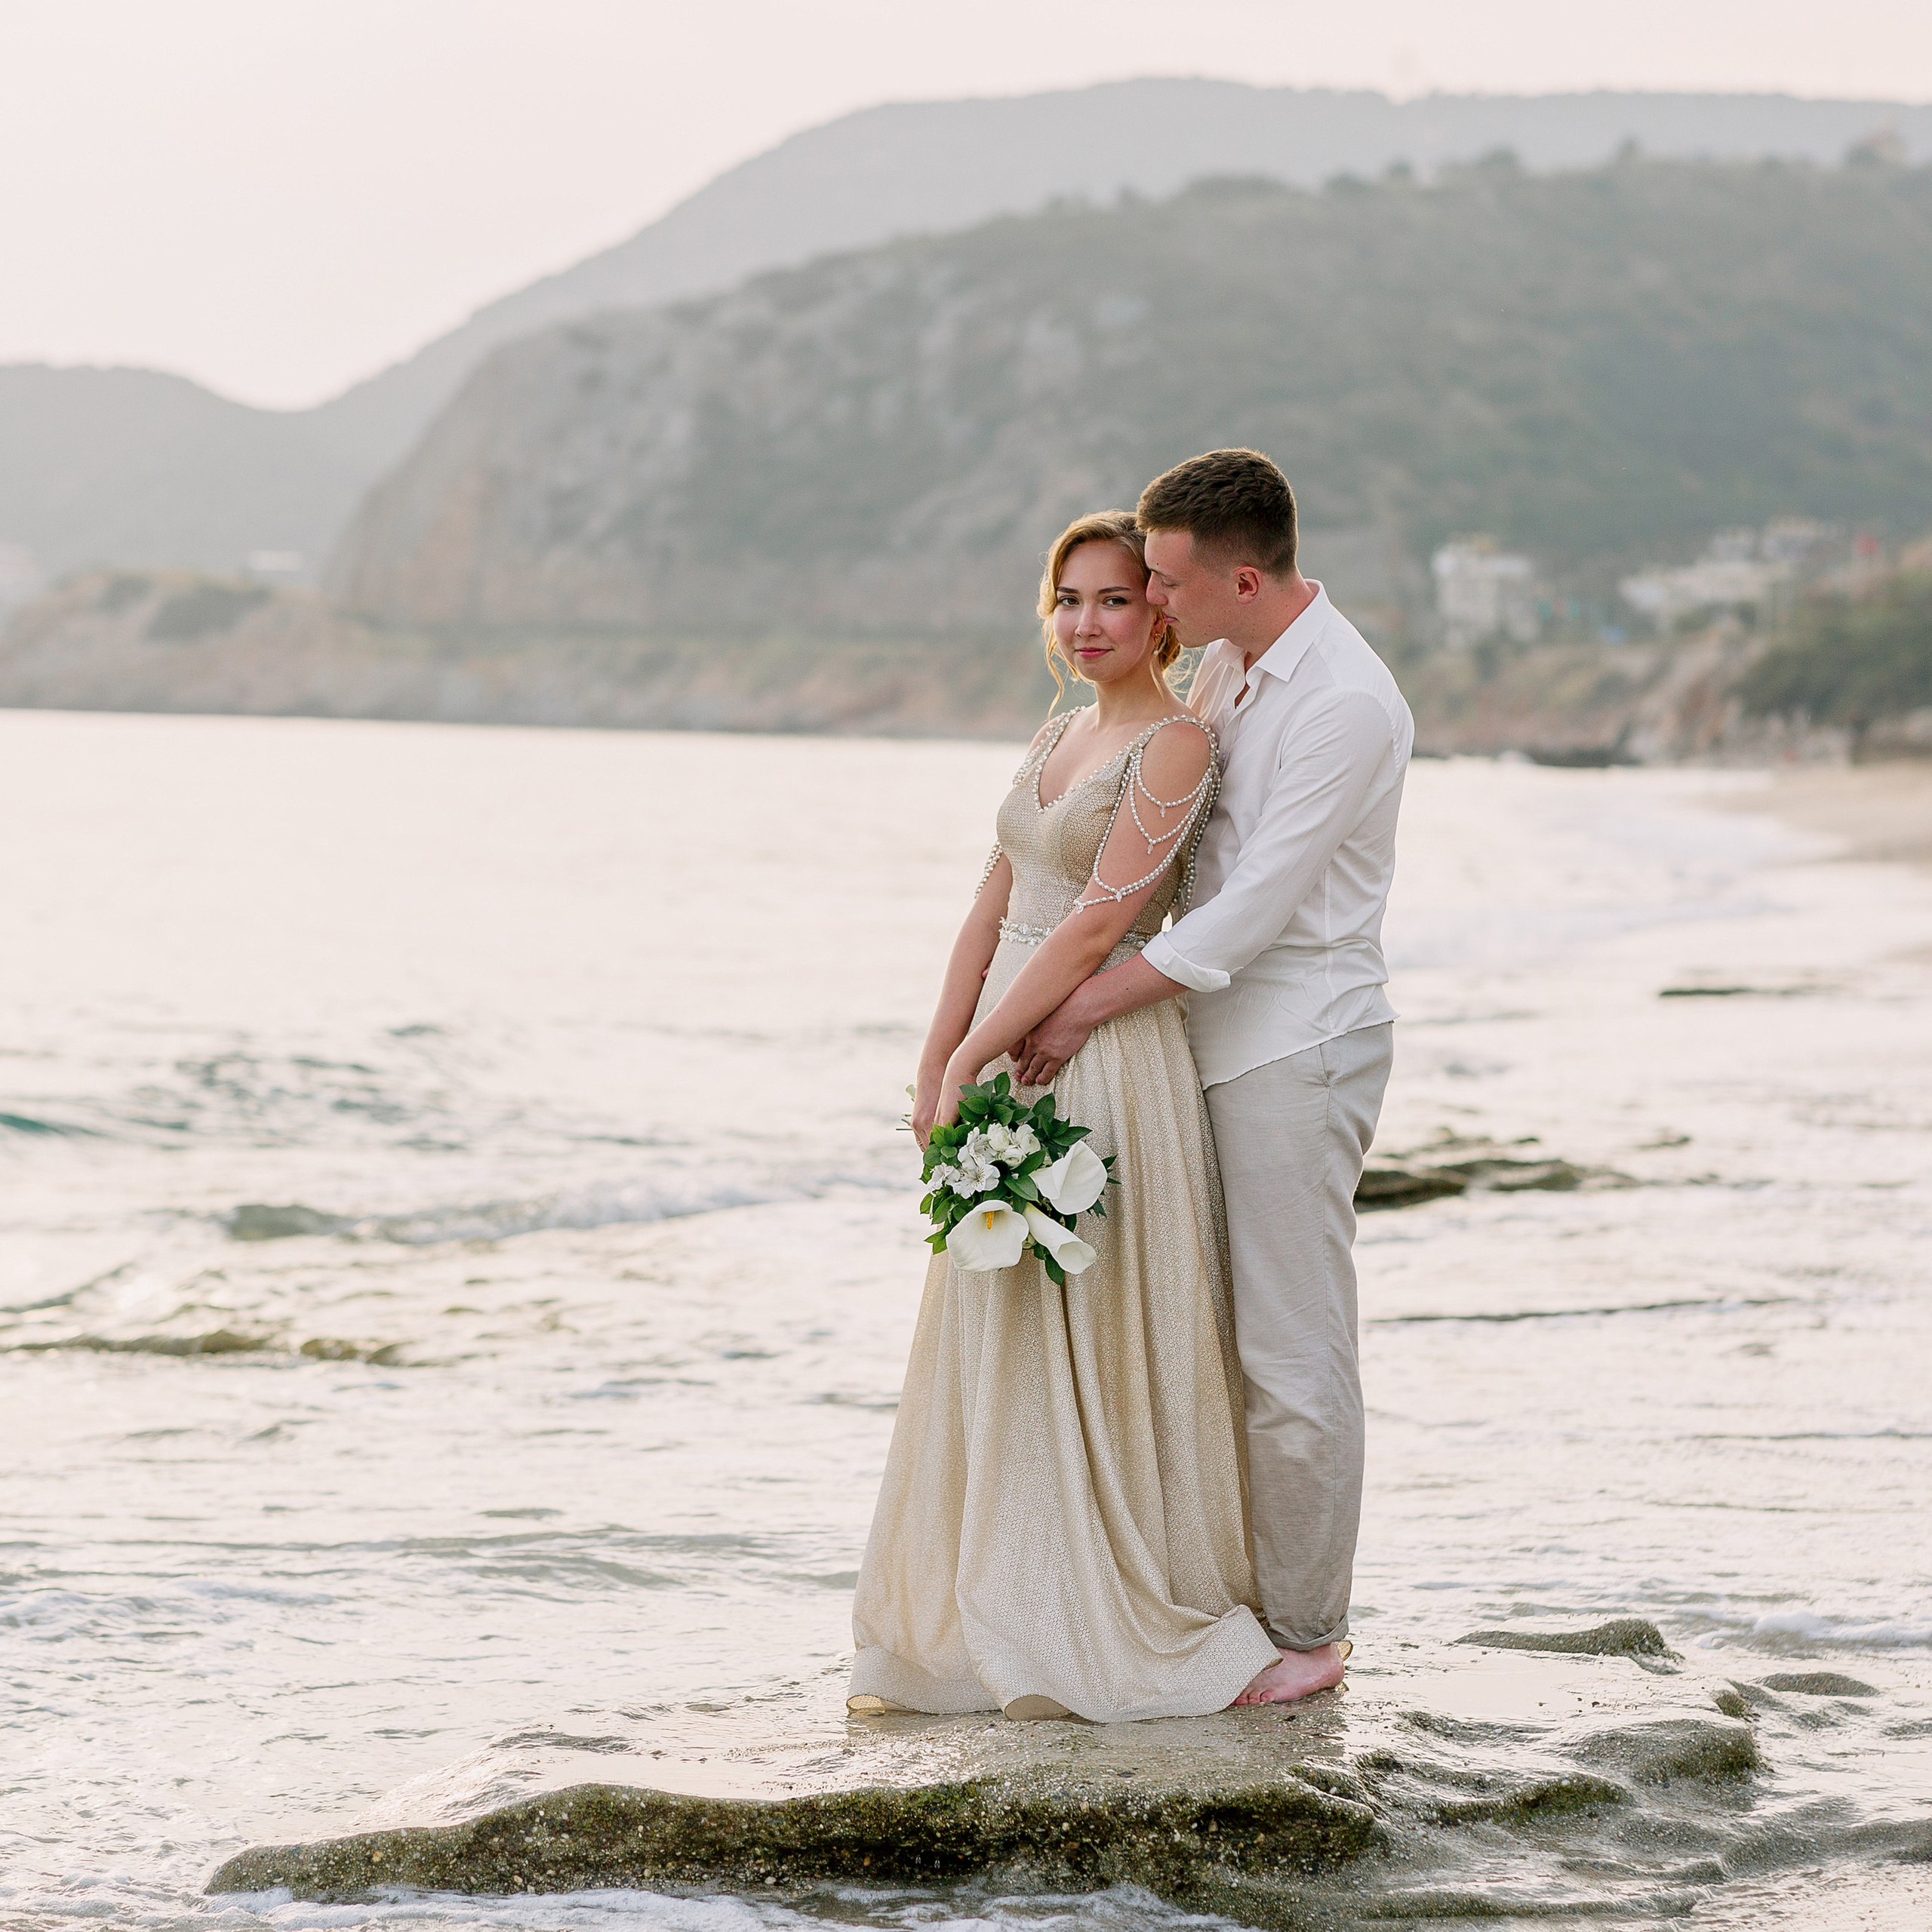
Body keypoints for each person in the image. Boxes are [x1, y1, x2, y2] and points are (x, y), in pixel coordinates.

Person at [848, 510, 1281, 1721]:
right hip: (1000, 1031)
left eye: (1114, 601)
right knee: (1003, 1320)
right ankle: (1002, 1605)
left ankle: (1110, 1612)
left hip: (1094, 1047)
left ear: (1159, 613)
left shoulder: (1180, 743)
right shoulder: (1055, 731)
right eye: (1068, 600)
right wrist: (936, 1062)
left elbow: (1097, 922)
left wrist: (987, 1052)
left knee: (1093, 1312)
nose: (1087, 624)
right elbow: (991, 905)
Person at [1014, 449, 1414, 1706]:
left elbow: (1240, 922)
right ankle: (1225, 1599)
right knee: (1210, 1342)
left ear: (1243, 577)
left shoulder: (1344, 702)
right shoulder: (1236, 663)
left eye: (1169, 586)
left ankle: (1307, 1636)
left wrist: (1071, 1012)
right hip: (1205, 1046)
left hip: (1296, 1045)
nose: (1153, 607)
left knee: (1293, 1352)